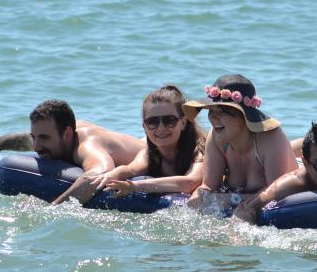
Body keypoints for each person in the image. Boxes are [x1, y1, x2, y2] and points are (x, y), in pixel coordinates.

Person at [52, 86, 205, 205]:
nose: (161, 128)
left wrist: (135, 186)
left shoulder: (199, 149)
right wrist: (107, 177)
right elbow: (128, 169)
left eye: (169, 120)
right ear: (144, 127)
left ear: (183, 122)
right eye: (152, 122)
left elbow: (191, 183)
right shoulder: (149, 155)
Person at [0, 99, 145, 200]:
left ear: (66, 134)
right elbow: (25, 140)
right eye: (35, 137)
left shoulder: (87, 146)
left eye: (43, 138)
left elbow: (99, 173)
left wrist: (54, 209)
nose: (36, 147)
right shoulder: (59, 135)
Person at [183, 74, 297, 211]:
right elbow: (208, 186)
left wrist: (231, 199)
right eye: (211, 111)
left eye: (221, 112)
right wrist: (194, 203)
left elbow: (277, 194)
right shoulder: (216, 137)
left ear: (244, 115)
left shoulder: (271, 138)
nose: (213, 117)